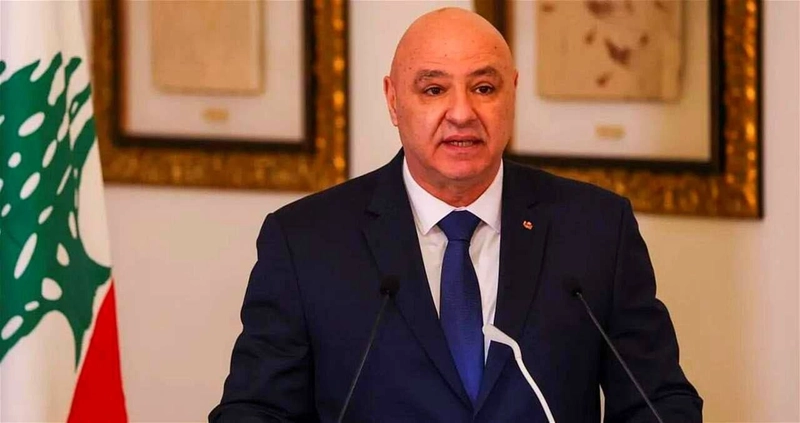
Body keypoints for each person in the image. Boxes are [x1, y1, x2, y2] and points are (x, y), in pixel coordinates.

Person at [209, 8, 702, 422]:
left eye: (484, 88)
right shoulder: (305, 242)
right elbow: (256, 411)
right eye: (434, 90)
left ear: (511, 93)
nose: (462, 113)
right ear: (393, 101)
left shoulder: (596, 229)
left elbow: (659, 402)